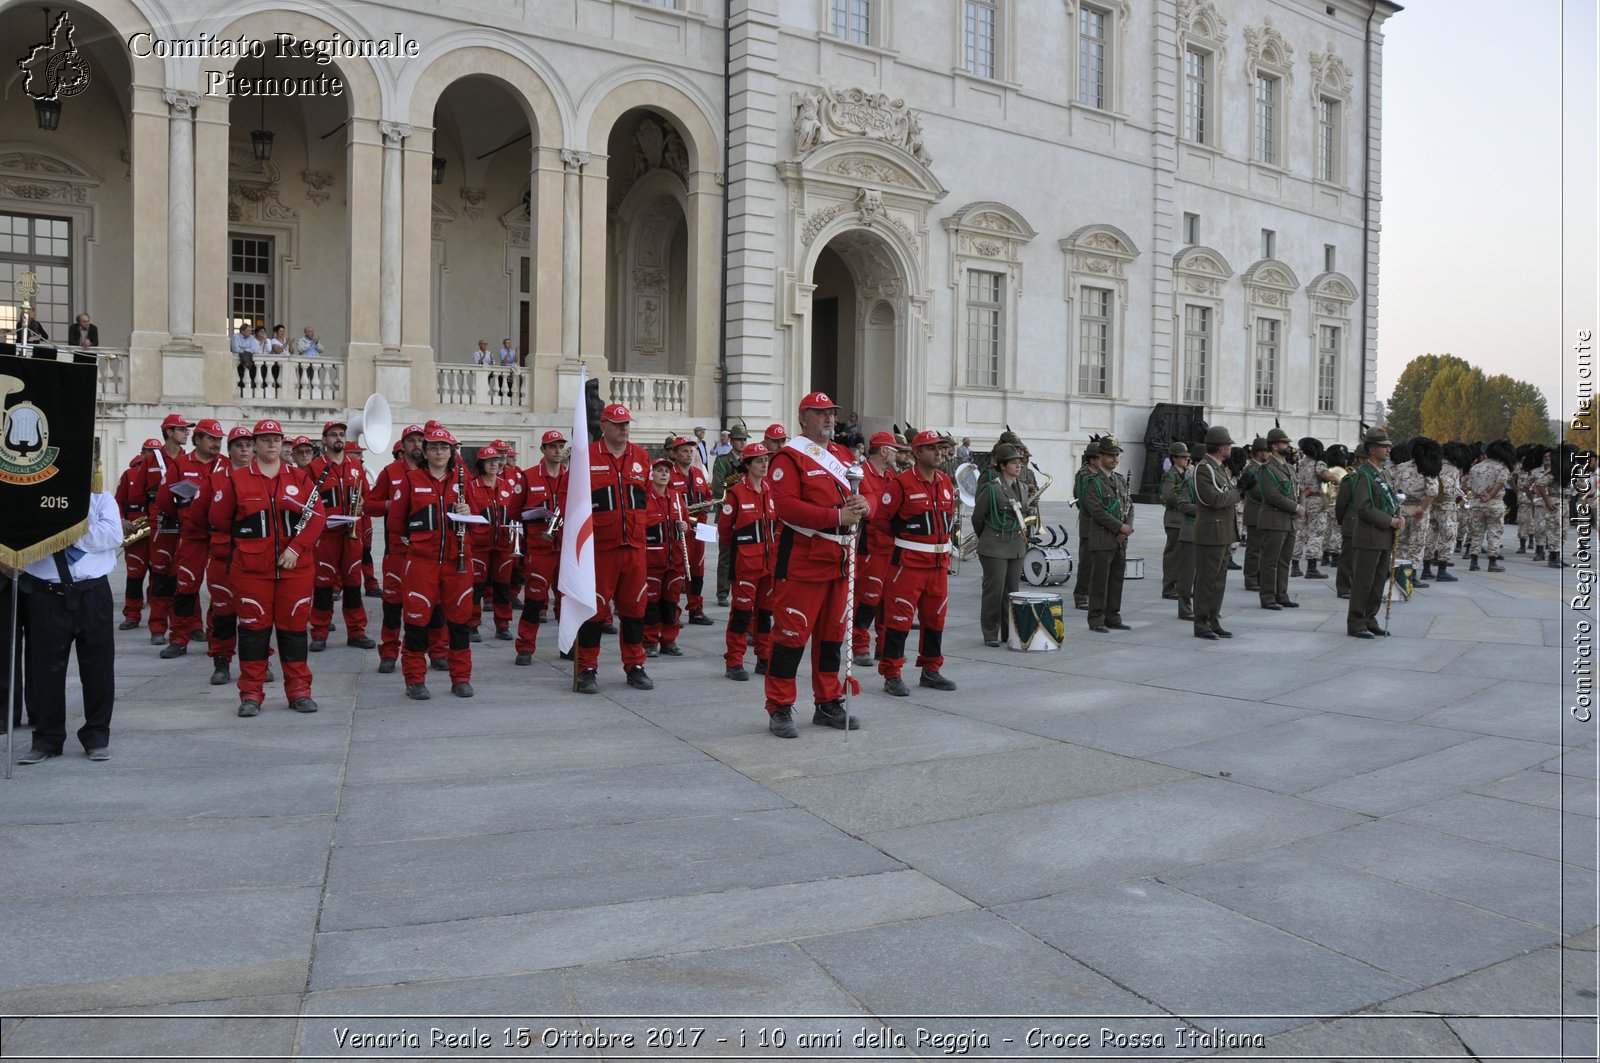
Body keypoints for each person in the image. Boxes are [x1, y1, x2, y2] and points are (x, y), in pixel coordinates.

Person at [762, 391, 872, 738]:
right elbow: (787, 508)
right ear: (803, 418)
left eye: (831, 413)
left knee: (832, 638)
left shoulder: (842, 454)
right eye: (820, 413)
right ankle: (779, 706)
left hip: (840, 562)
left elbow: (867, 494)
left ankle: (828, 702)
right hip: (802, 562)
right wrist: (836, 515)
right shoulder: (788, 458)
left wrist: (867, 506)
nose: (829, 419)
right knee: (791, 636)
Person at [209, 419, 327, 716]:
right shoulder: (236, 480)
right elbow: (220, 519)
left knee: (294, 631)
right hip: (251, 570)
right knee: (253, 633)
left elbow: (317, 518)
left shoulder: (300, 479)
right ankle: (251, 694)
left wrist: (295, 547)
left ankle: (299, 691)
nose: (272, 444)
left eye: (276, 439)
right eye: (265, 439)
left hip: (295, 568)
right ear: (256, 444)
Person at [14, 483, 121, 764]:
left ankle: (97, 735)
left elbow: (112, 534)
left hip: (93, 592)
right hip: (47, 593)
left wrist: (64, 532)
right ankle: (47, 739)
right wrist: (79, 532)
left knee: (98, 668)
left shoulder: (100, 498)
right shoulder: (33, 500)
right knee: (46, 670)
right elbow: (25, 543)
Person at [389, 424, 477, 699]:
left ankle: (460, 677)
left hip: (458, 562)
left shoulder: (464, 481)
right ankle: (414, 679)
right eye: (434, 447)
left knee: (460, 623)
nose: (439, 452)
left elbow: (481, 523)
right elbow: (396, 522)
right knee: (417, 621)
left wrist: (468, 511)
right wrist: (413, 541)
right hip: (422, 563)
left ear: (452, 452)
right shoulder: (411, 479)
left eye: (445, 448)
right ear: (425, 452)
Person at [573, 403, 654, 694]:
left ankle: (635, 666)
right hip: (600, 548)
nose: (624, 428)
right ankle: (587, 668)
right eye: (618, 424)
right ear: (603, 426)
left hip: (633, 546)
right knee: (594, 611)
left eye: (626, 424)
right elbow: (572, 503)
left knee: (634, 609)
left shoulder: (642, 457)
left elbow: (646, 498)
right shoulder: (586, 457)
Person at [874, 430, 958, 692]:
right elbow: (881, 521)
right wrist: (905, 543)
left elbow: (948, 518)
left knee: (935, 619)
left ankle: (931, 670)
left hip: (938, 565)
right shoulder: (901, 484)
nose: (938, 452)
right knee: (898, 621)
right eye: (931, 448)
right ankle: (892, 674)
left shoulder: (944, 482)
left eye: (939, 448)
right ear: (916, 453)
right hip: (908, 565)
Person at [158, 418, 225, 661]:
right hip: (192, 537)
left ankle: (217, 639)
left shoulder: (226, 465)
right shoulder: (180, 464)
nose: (216, 443)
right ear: (197, 440)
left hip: (219, 537)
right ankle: (178, 639)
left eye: (219, 439)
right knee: (185, 587)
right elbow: (164, 500)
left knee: (220, 590)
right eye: (211, 438)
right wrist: (186, 516)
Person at [307, 420, 374, 652]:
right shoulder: (314, 468)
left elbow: (367, 495)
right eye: (333, 435)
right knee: (323, 585)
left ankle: (357, 632)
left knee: (354, 585)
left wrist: (364, 501)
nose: (338, 439)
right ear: (324, 439)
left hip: (351, 535)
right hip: (326, 535)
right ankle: (319, 633)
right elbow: (306, 502)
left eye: (342, 435)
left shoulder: (356, 466)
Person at [364, 424, 425, 673]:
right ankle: (389, 652)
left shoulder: (434, 471)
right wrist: (391, 504)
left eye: (421, 440)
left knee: (425, 607)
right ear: (403, 446)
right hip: (396, 552)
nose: (417, 445)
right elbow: (369, 505)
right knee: (392, 605)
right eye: (411, 441)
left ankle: (435, 652)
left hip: (425, 554)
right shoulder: (390, 472)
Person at [204, 425, 256, 685]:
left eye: (248, 444)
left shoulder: (263, 478)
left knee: (256, 616)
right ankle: (221, 662)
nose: (244, 449)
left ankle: (258, 662)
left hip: (255, 558)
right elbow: (200, 516)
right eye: (239, 445)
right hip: (223, 556)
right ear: (230, 450)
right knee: (223, 613)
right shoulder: (215, 480)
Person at [719, 442, 775, 680]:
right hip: (745, 566)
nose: (764, 464)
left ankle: (764, 658)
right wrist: (745, 551)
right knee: (741, 615)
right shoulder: (736, 493)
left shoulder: (770, 490)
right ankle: (734, 661)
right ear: (748, 465)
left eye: (766, 460)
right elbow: (725, 530)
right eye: (759, 461)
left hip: (768, 565)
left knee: (764, 614)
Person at [514, 430, 568, 665]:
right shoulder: (528, 477)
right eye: (552, 446)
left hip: (565, 549)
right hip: (539, 548)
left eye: (560, 446)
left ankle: (568, 646)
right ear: (543, 449)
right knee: (535, 600)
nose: (557, 451)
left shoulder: (572, 478)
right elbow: (515, 512)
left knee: (566, 601)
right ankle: (525, 647)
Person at [1347, 427, 1404, 639]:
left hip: (1383, 536)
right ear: (1372, 449)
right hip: (1369, 536)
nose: (1388, 449)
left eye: (1388, 446)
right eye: (1383, 446)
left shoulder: (1383, 473)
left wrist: (1398, 517)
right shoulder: (1364, 475)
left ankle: (1370, 618)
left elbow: (1389, 502)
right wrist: (1389, 520)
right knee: (1364, 582)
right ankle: (1356, 622)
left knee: (1379, 580)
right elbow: (1363, 507)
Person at [851, 432, 902, 664]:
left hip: (891, 545)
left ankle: (883, 646)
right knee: (867, 598)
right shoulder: (861, 474)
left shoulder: (891, 475)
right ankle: (859, 646)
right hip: (871, 546)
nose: (896, 453)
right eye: (893, 449)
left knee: (888, 599)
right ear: (883, 450)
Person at [145, 412, 195, 645]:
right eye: (182, 429)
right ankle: (157, 626)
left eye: (187, 429)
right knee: (161, 577)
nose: (187, 433)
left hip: (186, 525)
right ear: (169, 432)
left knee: (187, 576)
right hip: (161, 527)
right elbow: (140, 494)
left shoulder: (190, 459)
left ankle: (192, 625)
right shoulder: (150, 460)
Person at [465, 444, 523, 641]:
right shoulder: (471, 487)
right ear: (480, 464)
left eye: (496, 461)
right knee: (476, 587)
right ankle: (472, 625)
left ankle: (503, 625)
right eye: (489, 461)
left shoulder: (506, 486)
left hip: (504, 546)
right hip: (479, 546)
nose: (493, 464)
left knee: (502, 587)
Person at [974, 441, 1028, 646]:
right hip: (994, 546)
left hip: (1016, 546)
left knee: (1012, 592)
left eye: (1019, 463)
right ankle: (990, 632)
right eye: (1013, 463)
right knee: (994, 592)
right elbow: (978, 517)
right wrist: (988, 538)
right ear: (1002, 466)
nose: (1018, 466)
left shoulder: (1022, 487)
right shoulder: (992, 488)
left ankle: (1009, 632)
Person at [1192, 425, 1241, 641]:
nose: (1230, 448)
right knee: (1207, 580)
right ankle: (1202, 623)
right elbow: (1214, 499)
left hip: (1223, 532)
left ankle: (1213, 619)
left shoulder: (1219, 468)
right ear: (1221, 447)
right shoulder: (1205, 468)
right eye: (1228, 444)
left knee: (1218, 581)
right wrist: (1240, 492)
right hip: (1211, 533)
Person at [1081, 435, 1134, 633]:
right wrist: (1120, 528)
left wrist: (1127, 527)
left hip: (1120, 540)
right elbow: (1096, 510)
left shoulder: (1120, 480)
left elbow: (1130, 507)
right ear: (1101, 456)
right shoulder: (1093, 481)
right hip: (1103, 538)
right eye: (1110, 455)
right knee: (1099, 581)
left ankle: (1113, 616)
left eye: (1116, 455)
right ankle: (1096, 619)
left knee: (1116, 579)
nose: (1114, 459)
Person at [1253, 428, 1304, 610]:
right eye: (1284, 443)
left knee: (1284, 561)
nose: (1288, 446)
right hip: (1274, 520)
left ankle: (1282, 594)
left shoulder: (1289, 468)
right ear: (1274, 446)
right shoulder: (1267, 469)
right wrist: (1295, 507)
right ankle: (1268, 597)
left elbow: (1298, 490)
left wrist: (1300, 505)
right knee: (1270, 561)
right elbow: (1272, 495)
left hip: (1289, 521)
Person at [667, 436, 715, 625]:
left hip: (699, 529)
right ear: (675, 453)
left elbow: (708, 495)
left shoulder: (698, 473)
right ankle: (674, 614)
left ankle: (696, 609)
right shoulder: (670, 473)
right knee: (679, 572)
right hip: (680, 531)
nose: (688, 454)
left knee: (697, 572)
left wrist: (709, 504)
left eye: (690, 451)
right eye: (684, 451)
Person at [642, 458, 688, 657]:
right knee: (651, 604)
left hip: (675, 559)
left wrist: (686, 525)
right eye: (659, 470)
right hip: (653, 561)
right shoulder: (643, 498)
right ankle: (650, 641)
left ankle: (669, 641)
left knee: (671, 603)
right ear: (651, 474)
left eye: (666, 471)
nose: (663, 474)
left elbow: (686, 520)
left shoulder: (677, 497)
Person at [114, 440, 159, 630]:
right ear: (142, 453)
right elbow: (118, 501)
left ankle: (158, 617)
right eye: (149, 452)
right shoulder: (129, 474)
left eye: (156, 453)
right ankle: (132, 615)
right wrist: (121, 520)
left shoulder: (165, 474)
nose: (153, 456)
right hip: (136, 529)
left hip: (158, 529)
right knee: (134, 575)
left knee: (159, 576)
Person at [1393, 438, 1440, 587]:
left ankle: (1397, 572)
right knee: (1417, 543)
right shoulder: (1427, 467)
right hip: (1419, 508)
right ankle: (1411, 576)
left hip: (1400, 507)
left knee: (1399, 542)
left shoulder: (1401, 467)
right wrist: (1423, 508)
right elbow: (1433, 491)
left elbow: (1392, 486)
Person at [1463, 440, 1515, 571]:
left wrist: (1480, 493)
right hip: (1494, 503)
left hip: (1476, 503)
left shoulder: (1476, 467)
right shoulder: (1502, 468)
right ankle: (1492, 562)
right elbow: (1501, 482)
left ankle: (1473, 561)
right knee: (1495, 532)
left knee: (1476, 533)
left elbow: (1468, 484)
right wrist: (1490, 495)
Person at [711, 425, 749, 605]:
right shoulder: (722, 461)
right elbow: (718, 488)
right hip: (728, 512)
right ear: (732, 441)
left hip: (747, 514)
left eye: (744, 439)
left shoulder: (749, 460)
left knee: (745, 555)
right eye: (739, 439)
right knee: (726, 555)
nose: (743, 442)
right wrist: (738, 492)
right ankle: (722, 593)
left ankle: (741, 589)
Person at [1070, 441, 1102, 610]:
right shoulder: (1084, 475)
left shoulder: (1103, 474)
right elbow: (1082, 499)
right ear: (1092, 460)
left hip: (1103, 524)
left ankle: (1094, 594)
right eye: (1100, 457)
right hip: (1089, 522)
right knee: (1087, 562)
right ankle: (1081, 595)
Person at [1158, 441, 1190, 600]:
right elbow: (1169, 496)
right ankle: (1169, 588)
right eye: (1182, 457)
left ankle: (1179, 586)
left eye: (1186, 457)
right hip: (1174, 520)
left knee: (1183, 556)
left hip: (1182, 519)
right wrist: (1187, 504)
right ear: (1174, 458)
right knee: (1173, 556)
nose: (1186, 459)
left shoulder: (1184, 473)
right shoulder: (1171, 475)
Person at [1239, 437, 1269, 593]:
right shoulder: (1251, 469)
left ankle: (1257, 576)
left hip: (1261, 512)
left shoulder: (1262, 468)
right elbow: (1257, 491)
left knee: (1261, 548)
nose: (1268, 454)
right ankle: (1250, 578)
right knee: (1254, 549)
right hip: (1255, 512)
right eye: (1266, 451)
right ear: (1259, 453)